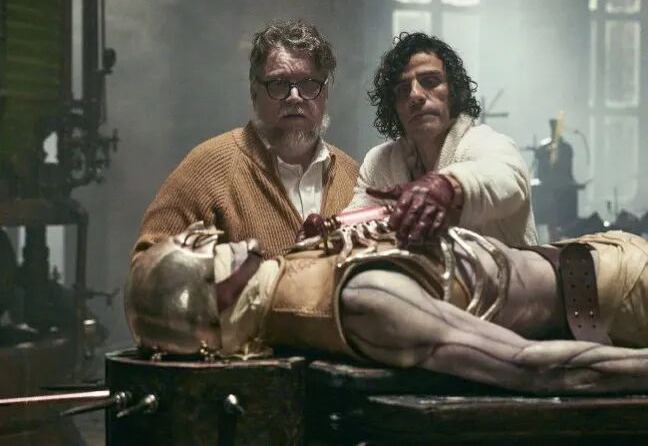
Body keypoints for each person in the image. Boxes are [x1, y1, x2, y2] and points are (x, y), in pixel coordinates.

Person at [126, 217, 648, 395]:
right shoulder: (361, 302)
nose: (225, 239)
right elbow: (531, 367)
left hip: (595, 256)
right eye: (208, 251)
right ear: (217, 303)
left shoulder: (300, 273)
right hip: (619, 295)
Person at [132, 21, 358, 262]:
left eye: (308, 84)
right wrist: (227, 272)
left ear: (325, 93)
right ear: (254, 93)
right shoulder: (207, 167)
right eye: (278, 84)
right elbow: (147, 264)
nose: (294, 96)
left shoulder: (354, 177)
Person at [347, 33, 537, 247]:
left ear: (453, 91)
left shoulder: (485, 142)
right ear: (394, 107)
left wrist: (448, 186)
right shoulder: (380, 162)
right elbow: (356, 222)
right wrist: (330, 229)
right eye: (403, 89)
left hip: (507, 268)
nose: (415, 95)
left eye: (430, 81)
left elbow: (509, 179)